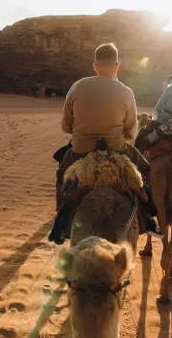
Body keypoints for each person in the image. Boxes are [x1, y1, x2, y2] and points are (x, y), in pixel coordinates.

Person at [49, 43, 162, 244]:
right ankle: (149, 217)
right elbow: (131, 129)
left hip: (81, 150)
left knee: (62, 173)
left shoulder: (77, 87)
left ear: (95, 66)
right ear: (117, 66)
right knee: (145, 170)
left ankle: (61, 221)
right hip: (116, 148)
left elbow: (66, 126)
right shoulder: (126, 92)